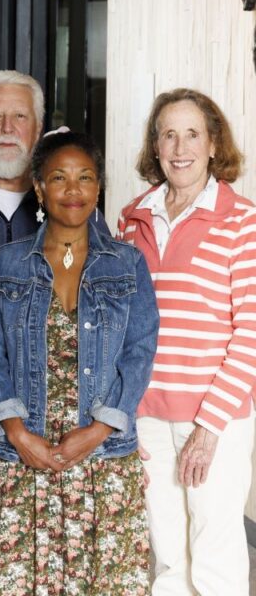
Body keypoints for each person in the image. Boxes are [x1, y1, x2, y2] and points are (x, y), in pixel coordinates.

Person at [0, 131, 159, 594]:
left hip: (102, 458)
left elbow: (139, 352)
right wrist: (16, 432)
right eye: (59, 177)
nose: (73, 190)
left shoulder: (128, 264)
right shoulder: (5, 263)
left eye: (85, 178)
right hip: (21, 456)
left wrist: (96, 433)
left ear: (98, 187)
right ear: (38, 187)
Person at [0, 70, 109, 588]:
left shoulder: (74, 205)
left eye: (20, 116)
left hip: (52, 415)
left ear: (40, 127)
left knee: (40, 553)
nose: (8, 127)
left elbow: (108, 308)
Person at [117, 88, 256, 596]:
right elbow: (125, 325)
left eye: (192, 134)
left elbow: (252, 334)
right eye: (168, 134)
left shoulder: (243, 222)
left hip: (214, 419)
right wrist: (125, 410)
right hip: (147, 413)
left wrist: (209, 427)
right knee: (168, 557)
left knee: (215, 557)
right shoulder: (131, 219)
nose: (180, 147)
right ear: (155, 146)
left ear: (214, 144)